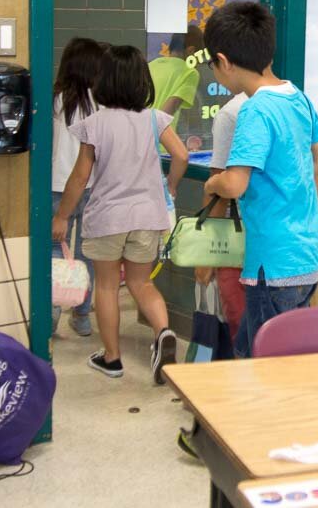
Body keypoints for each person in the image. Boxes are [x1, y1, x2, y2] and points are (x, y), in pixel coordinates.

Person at [203, 2, 318, 357]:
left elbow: (235, 184)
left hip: (273, 262)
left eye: (212, 66)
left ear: (223, 61)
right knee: (258, 349)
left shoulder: (255, 109)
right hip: (307, 255)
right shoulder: (298, 98)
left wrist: (212, 184)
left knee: (266, 362)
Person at [52, 45, 189, 381]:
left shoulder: (95, 123)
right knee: (142, 283)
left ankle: (112, 359)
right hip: (147, 217)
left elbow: (80, 176)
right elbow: (182, 155)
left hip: (108, 219)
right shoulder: (155, 118)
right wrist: (170, 186)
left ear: (105, 80)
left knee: (108, 287)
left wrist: (63, 216)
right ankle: (163, 333)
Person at [52, 37, 105, 337]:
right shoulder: (101, 103)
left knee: (52, 252)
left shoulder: (54, 100)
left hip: (57, 188)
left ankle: (52, 316)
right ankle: (82, 316)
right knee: (87, 254)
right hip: (92, 188)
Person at [195, 92, 248, 342]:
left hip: (236, 242)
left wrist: (206, 257)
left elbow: (222, 190)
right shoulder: (294, 99)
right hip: (288, 248)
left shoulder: (230, 113)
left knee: (239, 324)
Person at [149, 25, 202, 134]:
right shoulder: (189, 73)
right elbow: (165, 116)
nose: (201, 62)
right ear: (191, 51)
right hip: (161, 143)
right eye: (200, 56)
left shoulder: (151, 65)